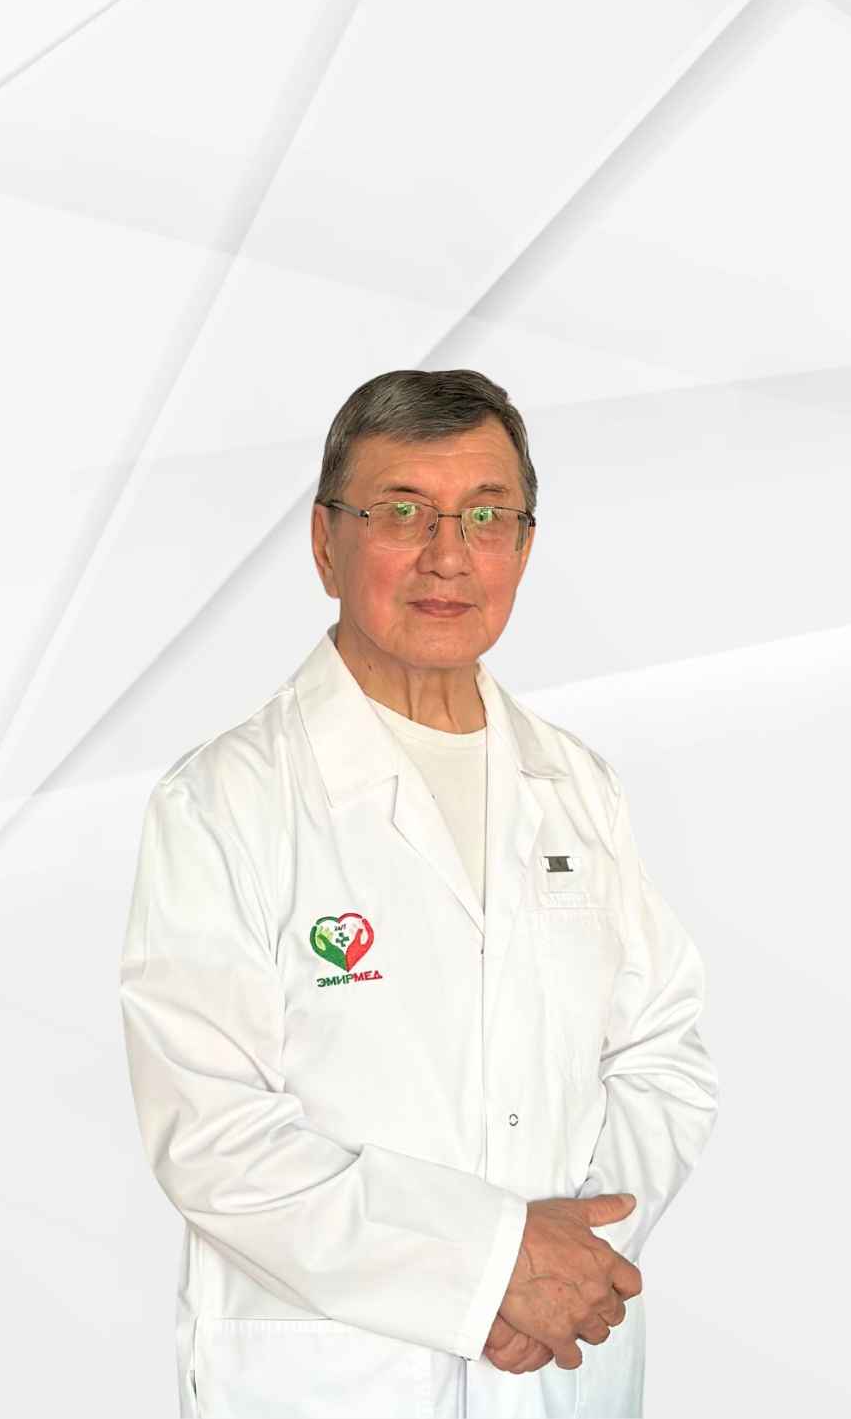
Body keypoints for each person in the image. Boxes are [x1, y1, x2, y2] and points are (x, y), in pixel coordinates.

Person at [119, 368, 720, 1418]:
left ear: (523, 547)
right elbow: (213, 1132)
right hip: (335, 1381)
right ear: (325, 542)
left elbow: (662, 1052)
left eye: (487, 516)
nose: (449, 553)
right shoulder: (225, 799)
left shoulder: (577, 788)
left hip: (561, 1371)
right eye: (403, 512)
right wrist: (489, 1269)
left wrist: (573, 1263)